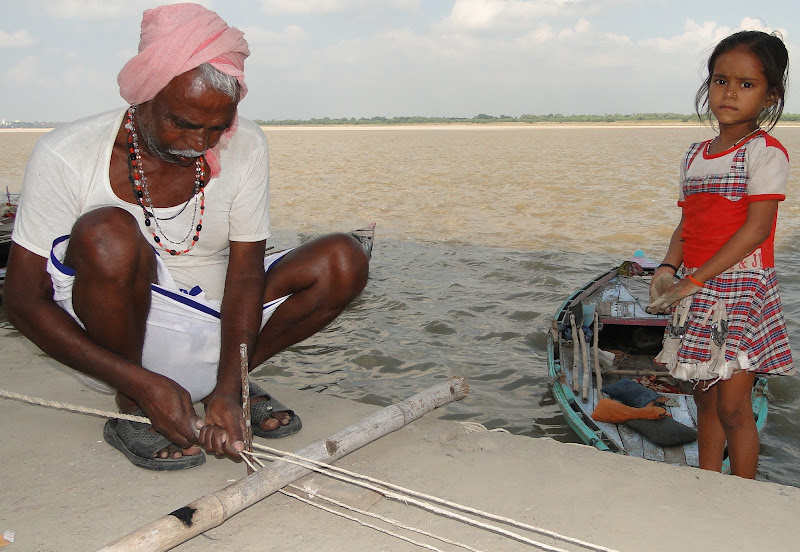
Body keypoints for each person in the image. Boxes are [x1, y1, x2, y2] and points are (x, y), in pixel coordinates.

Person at [4, 3, 370, 470]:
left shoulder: (248, 144)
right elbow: (22, 300)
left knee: (344, 259)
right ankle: (135, 405)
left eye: (217, 128)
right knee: (107, 232)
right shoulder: (66, 154)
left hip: (221, 331)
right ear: (146, 95)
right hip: (118, 342)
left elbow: (244, 277)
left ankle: (228, 388)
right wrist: (139, 383)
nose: (199, 143)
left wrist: (229, 382)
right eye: (184, 122)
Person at [647, 30, 794, 478]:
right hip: (696, 287)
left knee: (733, 406)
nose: (730, 92)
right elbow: (687, 224)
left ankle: (742, 494)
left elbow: (757, 230)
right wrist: (669, 267)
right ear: (707, 86)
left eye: (747, 84)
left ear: (770, 96)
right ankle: (706, 483)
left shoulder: (765, 153)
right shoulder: (695, 155)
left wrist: (694, 279)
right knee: (704, 398)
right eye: (720, 80)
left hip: (741, 289)